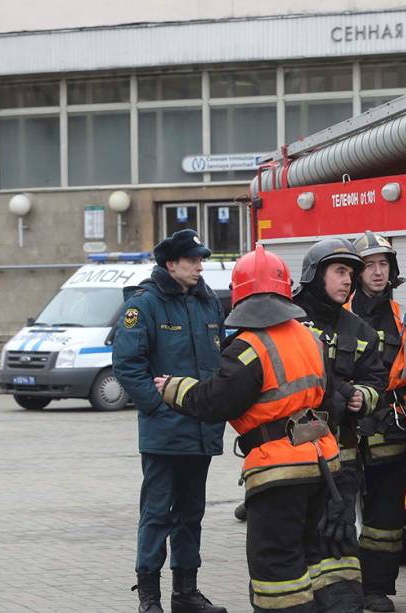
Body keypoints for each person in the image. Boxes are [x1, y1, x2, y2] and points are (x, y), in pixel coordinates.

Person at [152, 245, 350, 612]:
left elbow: (215, 401)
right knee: (314, 558)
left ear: (240, 294)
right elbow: (331, 400)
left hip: (277, 472)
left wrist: (174, 388)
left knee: (277, 569)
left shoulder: (248, 347)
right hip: (323, 465)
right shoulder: (311, 338)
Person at [112, 229, 227, 613]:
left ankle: (186, 593)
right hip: (164, 433)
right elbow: (128, 364)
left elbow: (218, 361)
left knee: (191, 514)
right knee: (157, 514)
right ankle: (149, 597)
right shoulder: (145, 304)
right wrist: (159, 408)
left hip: (201, 431)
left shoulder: (207, 302)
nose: (199, 266)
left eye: (200, 260)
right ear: (170, 263)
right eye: (192, 260)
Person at [347, 231, 406, 612]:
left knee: (385, 522)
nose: (377, 272)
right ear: (356, 272)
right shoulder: (338, 316)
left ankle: (376, 589)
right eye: (369, 265)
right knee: (338, 519)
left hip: (393, 436)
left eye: (383, 264)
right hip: (345, 435)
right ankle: (342, 587)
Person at [294, 237, 389, 613]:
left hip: (342, 456)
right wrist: (335, 390)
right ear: (316, 275)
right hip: (294, 453)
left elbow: (377, 381)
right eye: (339, 271)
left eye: (350, 273)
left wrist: (362, 396)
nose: (348, 280)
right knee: (299, 535)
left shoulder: (359, 330)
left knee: (339, 536)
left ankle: (341, 604)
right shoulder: (288, 321)